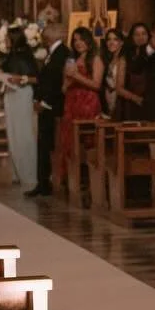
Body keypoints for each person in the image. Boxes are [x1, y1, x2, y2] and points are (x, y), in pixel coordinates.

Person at [0, 24, 39, 193]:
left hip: (21, 96)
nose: (5, 41)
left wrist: (22, 78)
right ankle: (19, 171)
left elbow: (34, 77)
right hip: (11, 96)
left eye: (7, 38)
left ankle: (28, 173)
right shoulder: (11, 56)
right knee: (13, 134)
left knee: (23, 134)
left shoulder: (25, 55)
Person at [60, 25, 105, 191]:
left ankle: (88, 182)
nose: (78, 43)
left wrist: (76, 76)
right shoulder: (71, 59)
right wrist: (68, 80)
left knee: (88, 142)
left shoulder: (95, 59)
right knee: (69, 141)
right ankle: (72, 181)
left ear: (88, 41)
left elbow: (96, 84)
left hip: (88, 102)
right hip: (72, 102)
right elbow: (64, 87)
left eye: (81, 39)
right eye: (75, 40)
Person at [27, 23, 68, 198]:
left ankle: (47, 182)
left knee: (48, 145)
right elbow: (44, 80)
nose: (43, 36)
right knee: (43, 145)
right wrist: (37, 99)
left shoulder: (62, 54)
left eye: (45, 34)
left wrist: (44, 102)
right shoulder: (53, 53)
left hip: (53, 106)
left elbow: (57, 82)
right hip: (46, 105)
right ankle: (43, 182)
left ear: (52, 36)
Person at [99, 26, 125, 121]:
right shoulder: (108, 59)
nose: (111, 42)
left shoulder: (123, 59)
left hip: (118, 97)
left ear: (121, 42)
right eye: (109, 39)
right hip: (108, 96)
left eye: (115, 39)